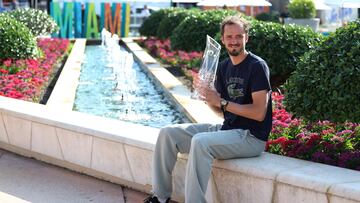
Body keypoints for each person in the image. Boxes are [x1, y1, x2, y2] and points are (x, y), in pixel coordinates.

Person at [144, 15, 272, 203]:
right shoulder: (223, 67)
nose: (234, 41)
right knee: (167, 134)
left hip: (251, 137)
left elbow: (259, 113)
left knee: (200, 142)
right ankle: (160, 197)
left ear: (247, 37)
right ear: (222, 39)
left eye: (238, 36)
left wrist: (222, 102)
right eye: (229, 37)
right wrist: (207, 96)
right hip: (228, 130)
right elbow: (222, 111)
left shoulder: (257, 66)